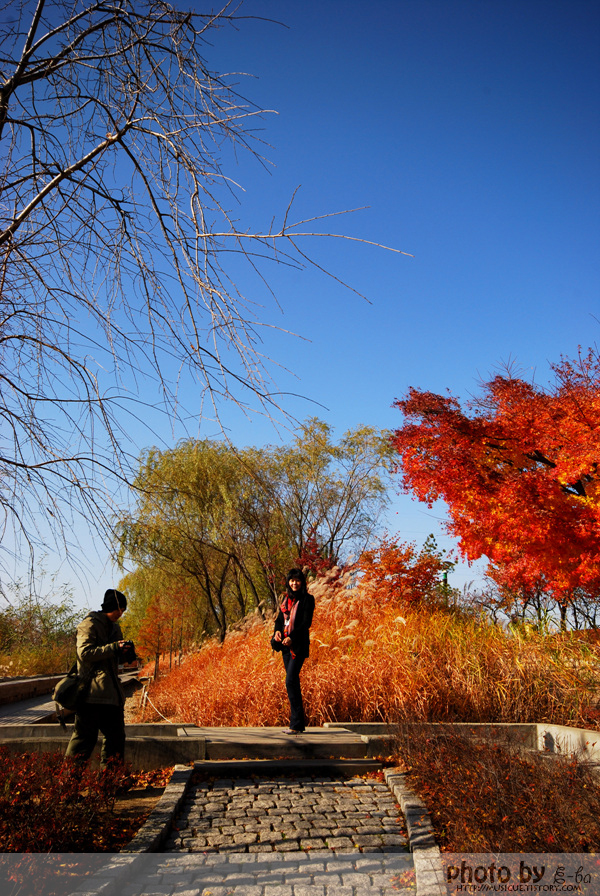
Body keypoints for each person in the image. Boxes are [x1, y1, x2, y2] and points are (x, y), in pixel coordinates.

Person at [65, 588, 131, 766]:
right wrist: (114, 648)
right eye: (120, 609)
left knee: (116, 739)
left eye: (123, 611)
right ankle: (69, 786)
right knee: (83, 741)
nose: (121, 614)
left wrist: (126, 654)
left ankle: (109, 783)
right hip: (90, 694)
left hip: (111, 695)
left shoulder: (115, 628)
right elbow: (85, 653)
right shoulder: (89, 624)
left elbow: (114, 658)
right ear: (111, 607)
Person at [271, 568, 315, 735]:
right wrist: (277, 632)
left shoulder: (308, 599)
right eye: (291, 580)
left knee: (290, 680)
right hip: (285, 646)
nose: (294, 583)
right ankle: (297, 724)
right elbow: (279, 620)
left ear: (302, 582)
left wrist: (293, 638)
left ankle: (296, 724)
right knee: (292, 683)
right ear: (288, 582)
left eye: (297, 580)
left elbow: (305, 623)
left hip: (298, 646)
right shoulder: (286, 600)